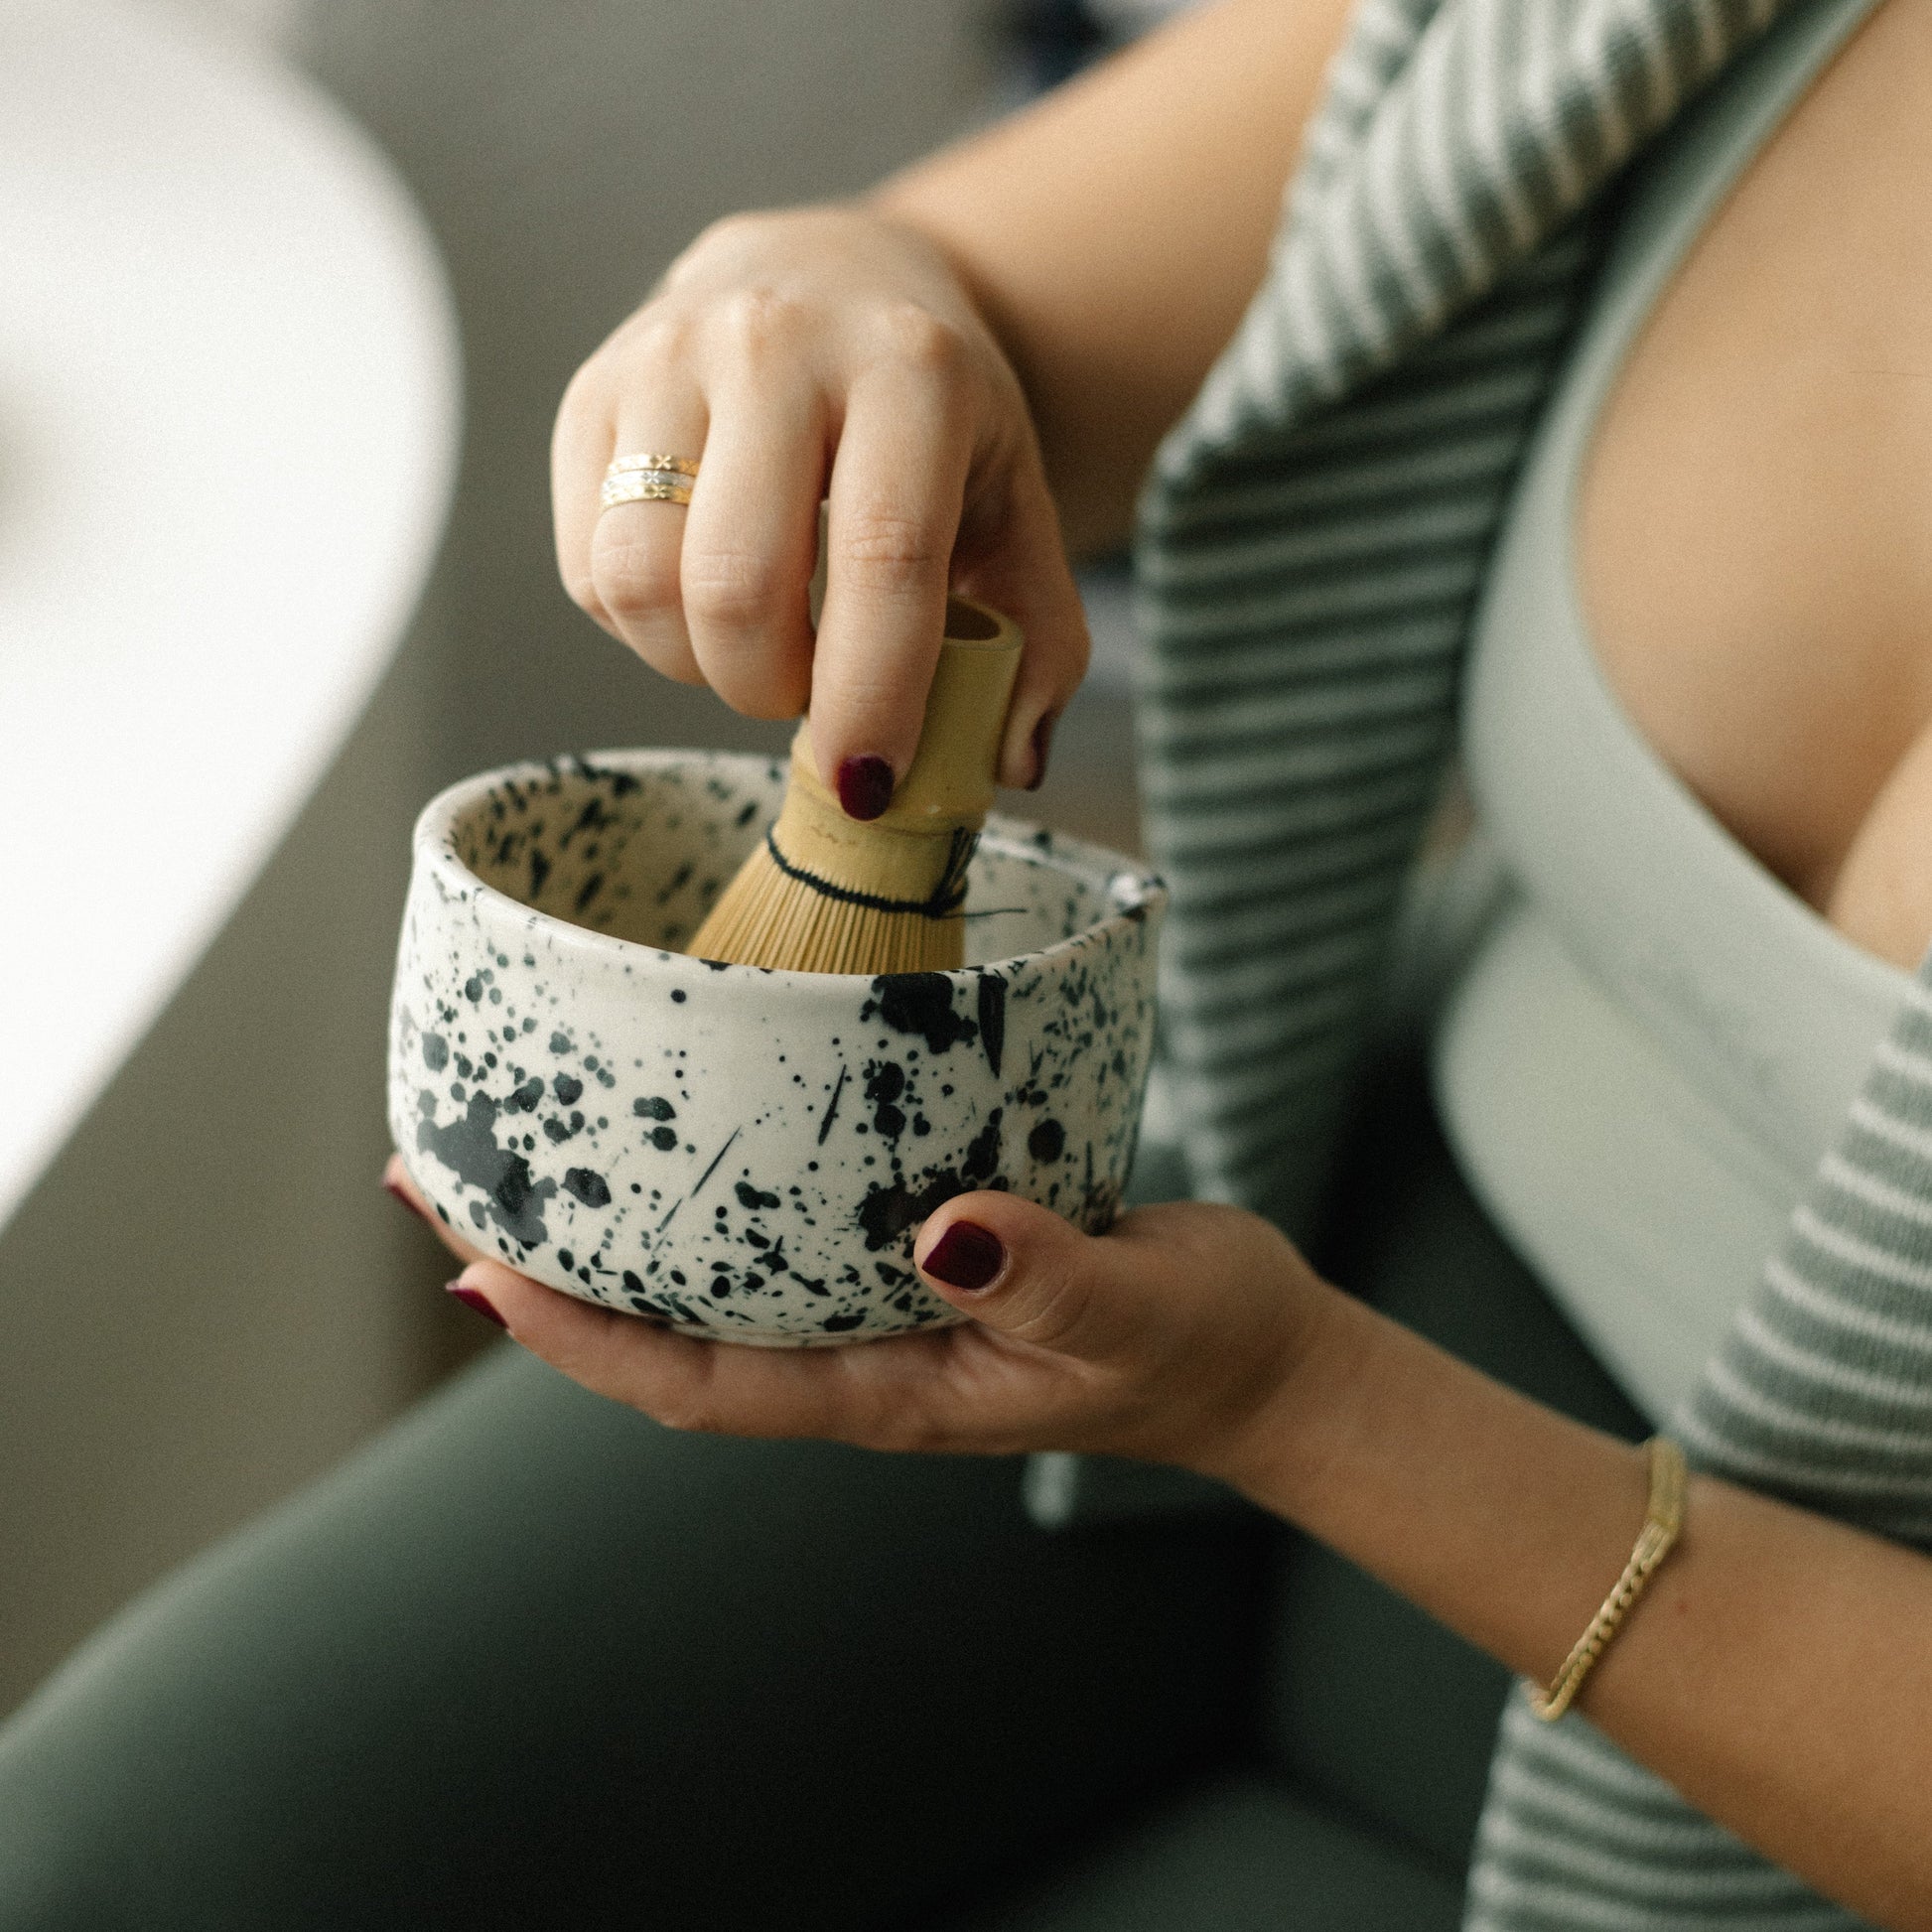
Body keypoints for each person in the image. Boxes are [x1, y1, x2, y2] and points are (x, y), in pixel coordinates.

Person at [3, 0, 1930, 1925]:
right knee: (116, 1861)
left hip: (1736, 1699)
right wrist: (807, 314)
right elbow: (985, 297)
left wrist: (1296, 1403)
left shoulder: (1265, 1373)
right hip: (1334, 1196)